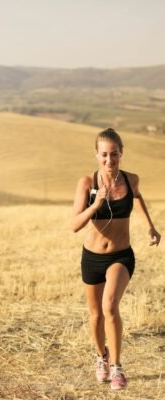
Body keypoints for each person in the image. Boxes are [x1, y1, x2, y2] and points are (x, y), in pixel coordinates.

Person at [71, 128, 161, 390]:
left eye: (115, 154)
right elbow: (74, 225)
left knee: (110, 305)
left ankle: (118, 367)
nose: (110, 160)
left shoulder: (131, 179)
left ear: (122, 153)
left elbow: (138, 197)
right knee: (96, 314)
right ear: (96, 155)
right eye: (104, 155)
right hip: (92, 258)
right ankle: (101, 358)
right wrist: (95, 205)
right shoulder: (87, 183)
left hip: (121, 256)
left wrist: (150, 226)